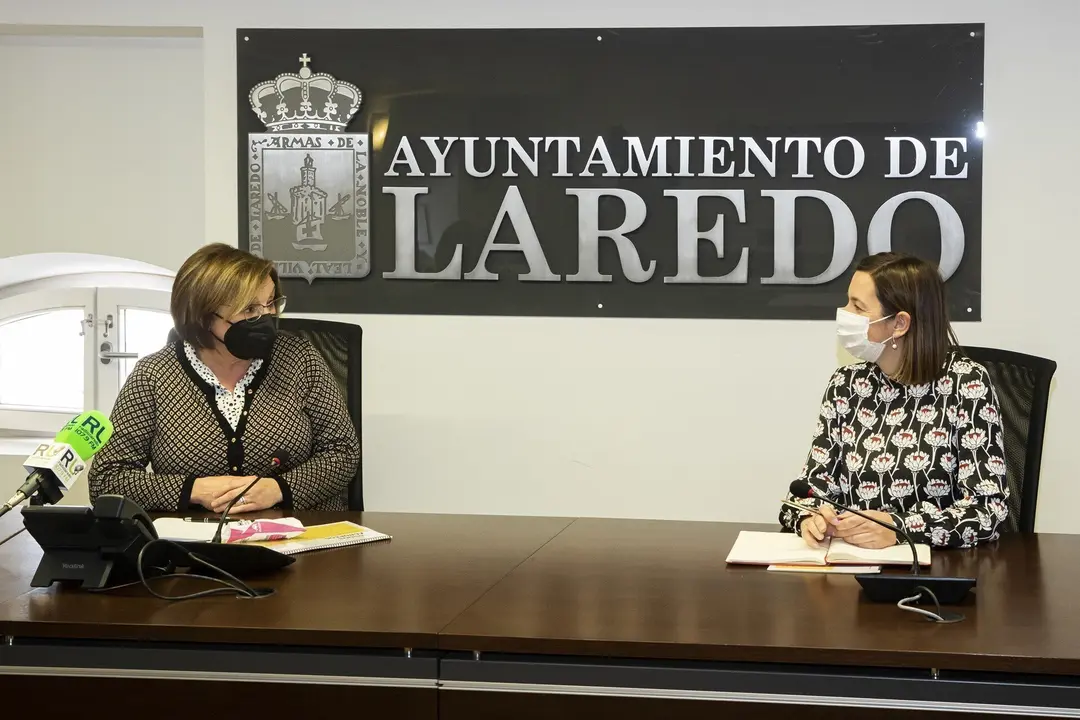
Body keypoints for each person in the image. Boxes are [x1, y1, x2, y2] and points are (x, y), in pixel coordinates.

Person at [89, 243, 360, 513]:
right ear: (204, 316)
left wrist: (278, 489)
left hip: (296, 538)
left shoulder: (299, 359)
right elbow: (107, 478)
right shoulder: (154, 375)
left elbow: (343, 451)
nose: (267, 318)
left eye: (271, 304)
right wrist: (193, 490)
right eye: (250, 309)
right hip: (193, 545)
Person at [779, 252, 1009, 550]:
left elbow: (987, 511)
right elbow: (806, 490)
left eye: (857, 306)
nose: (844, 312)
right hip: (851, 567)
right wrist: (810, 518)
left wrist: (899, 529)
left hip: (932, 575)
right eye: (848, 301)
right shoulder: (846, 385)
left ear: (899, 324)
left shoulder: (966, 384)